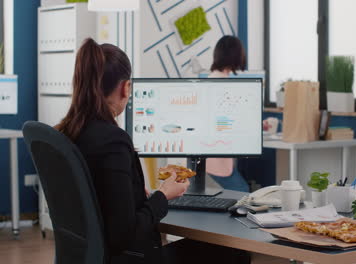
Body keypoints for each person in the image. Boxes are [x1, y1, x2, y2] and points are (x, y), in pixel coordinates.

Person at [56, 38, 249, 264]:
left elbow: (100, 197)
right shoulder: (113, 141)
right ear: (126, 87)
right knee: (235, 253)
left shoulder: (68, 131)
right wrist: (163, 195)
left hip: (90, 257)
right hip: (131, 258)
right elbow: (124, 235)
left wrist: (137, 196)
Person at [206, 35, 250, 192]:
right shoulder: (225, 84)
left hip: (211, 153)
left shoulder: (210, 80)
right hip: (218, 156)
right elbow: (225, 122)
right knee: (243, 193)